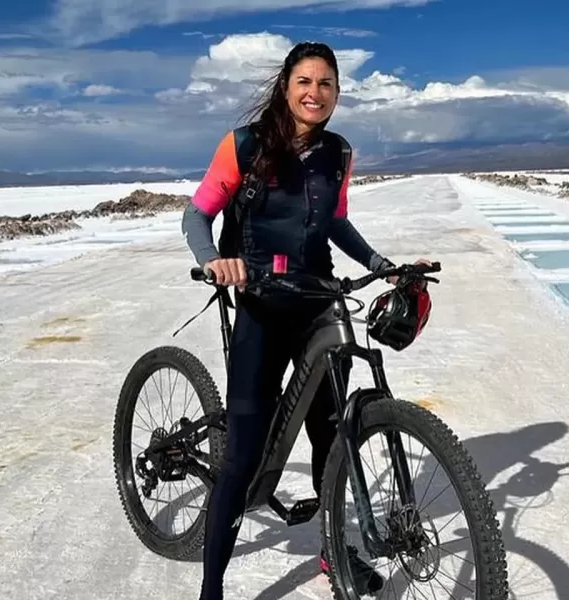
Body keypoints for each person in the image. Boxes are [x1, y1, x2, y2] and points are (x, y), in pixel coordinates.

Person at [182, 40, 425, 599]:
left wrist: (379, 264)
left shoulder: (338, 153)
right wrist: (213, 260)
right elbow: (197, 215)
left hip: (318, 297)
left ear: (337, 93)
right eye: (305, 82)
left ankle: (333, 553)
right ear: (286, 88)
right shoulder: (244, 147)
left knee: (330, 433)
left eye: (326, 84)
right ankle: (212, 587)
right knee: (242, 454)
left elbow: (336, 223)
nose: (315, 93)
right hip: (262, 302)